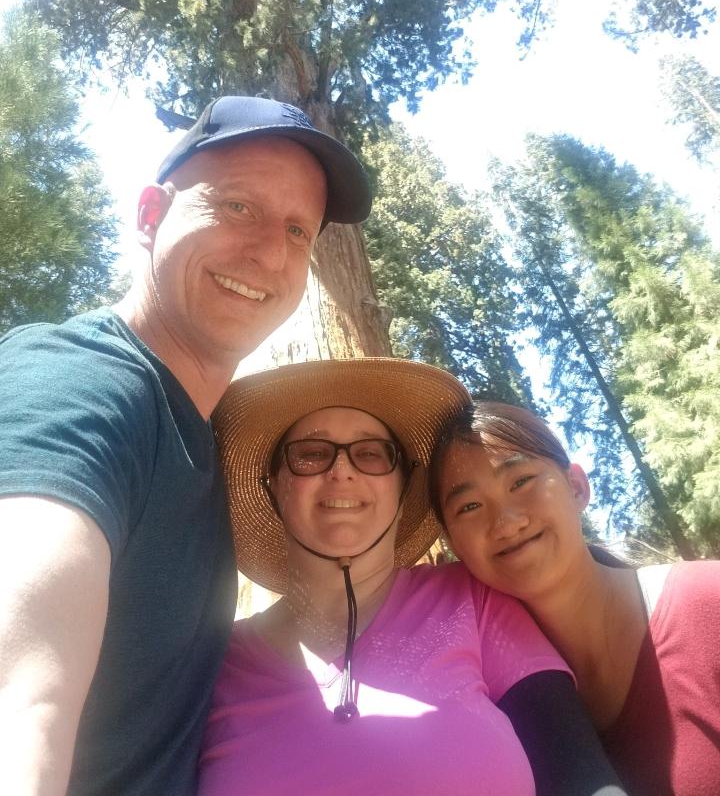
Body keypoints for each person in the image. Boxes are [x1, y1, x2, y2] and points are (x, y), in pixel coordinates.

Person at [0, 95, 372, 796]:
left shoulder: (220, 451)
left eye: (299, 231)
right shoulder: (76, 384)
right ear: (150, 215)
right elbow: (22, 699)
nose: (269, 253)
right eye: (237, 208)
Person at [202, 358, 627, 796]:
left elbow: (577, 769)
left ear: (404, 486)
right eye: (311, 454)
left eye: (370, 453)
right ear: (273, 485)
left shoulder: (471, 599)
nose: (342, 470)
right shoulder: (211, 664)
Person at [430, 400, 720, 796]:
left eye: (520, 481)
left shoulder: (707, 602)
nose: (506, 522)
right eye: (470, 506)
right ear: (452, 547)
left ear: (576, 487)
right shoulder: (493, 712)